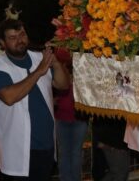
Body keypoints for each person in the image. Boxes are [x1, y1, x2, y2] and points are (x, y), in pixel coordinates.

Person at [0, 19, 69, 180]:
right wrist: (39, 71)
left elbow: (63, 85)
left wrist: (55, 62)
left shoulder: (39, 57)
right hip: (18, 149)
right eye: (12, 37)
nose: (19, 40)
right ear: (2, 43)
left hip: (46, 144)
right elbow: (9, 97)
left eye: (22, 34)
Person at [52, 49, 88, 181]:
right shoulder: (56, 73)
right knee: (65, 153)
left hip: (79, 119)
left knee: (75, 153)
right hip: (61, 118)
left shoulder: (82, 75)